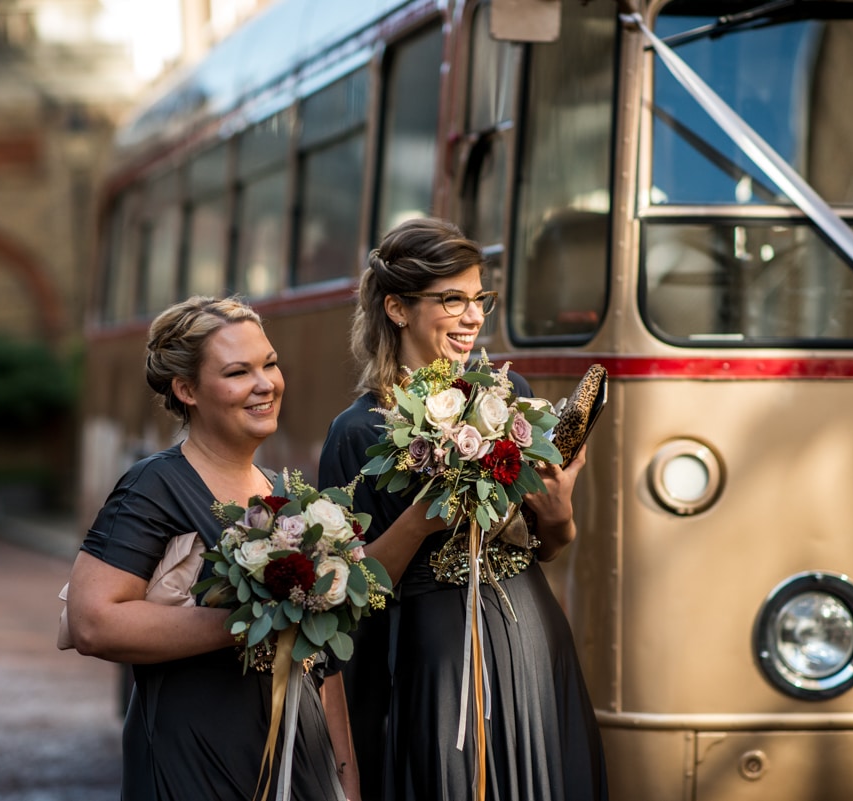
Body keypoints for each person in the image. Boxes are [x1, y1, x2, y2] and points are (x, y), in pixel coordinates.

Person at [318, 218, 609, 801]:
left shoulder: (509, 396)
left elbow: (550, 543)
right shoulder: (357, 433)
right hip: (435, 655)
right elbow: (349, 593)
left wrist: (558, 513)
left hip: (531, 636)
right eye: (453, 299)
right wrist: (424, 517)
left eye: (480, 298)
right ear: (398, 309)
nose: (474, 317)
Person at [65, 296, 358, 801]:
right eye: (239, 372)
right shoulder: (154, 486)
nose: (265, 384)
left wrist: (346, 779)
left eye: (269, 363)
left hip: (302, 761)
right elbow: (91, 622)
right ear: (187, 390)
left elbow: (324, 664)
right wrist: (255, 618)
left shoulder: (285, 491)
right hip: (198, 761)